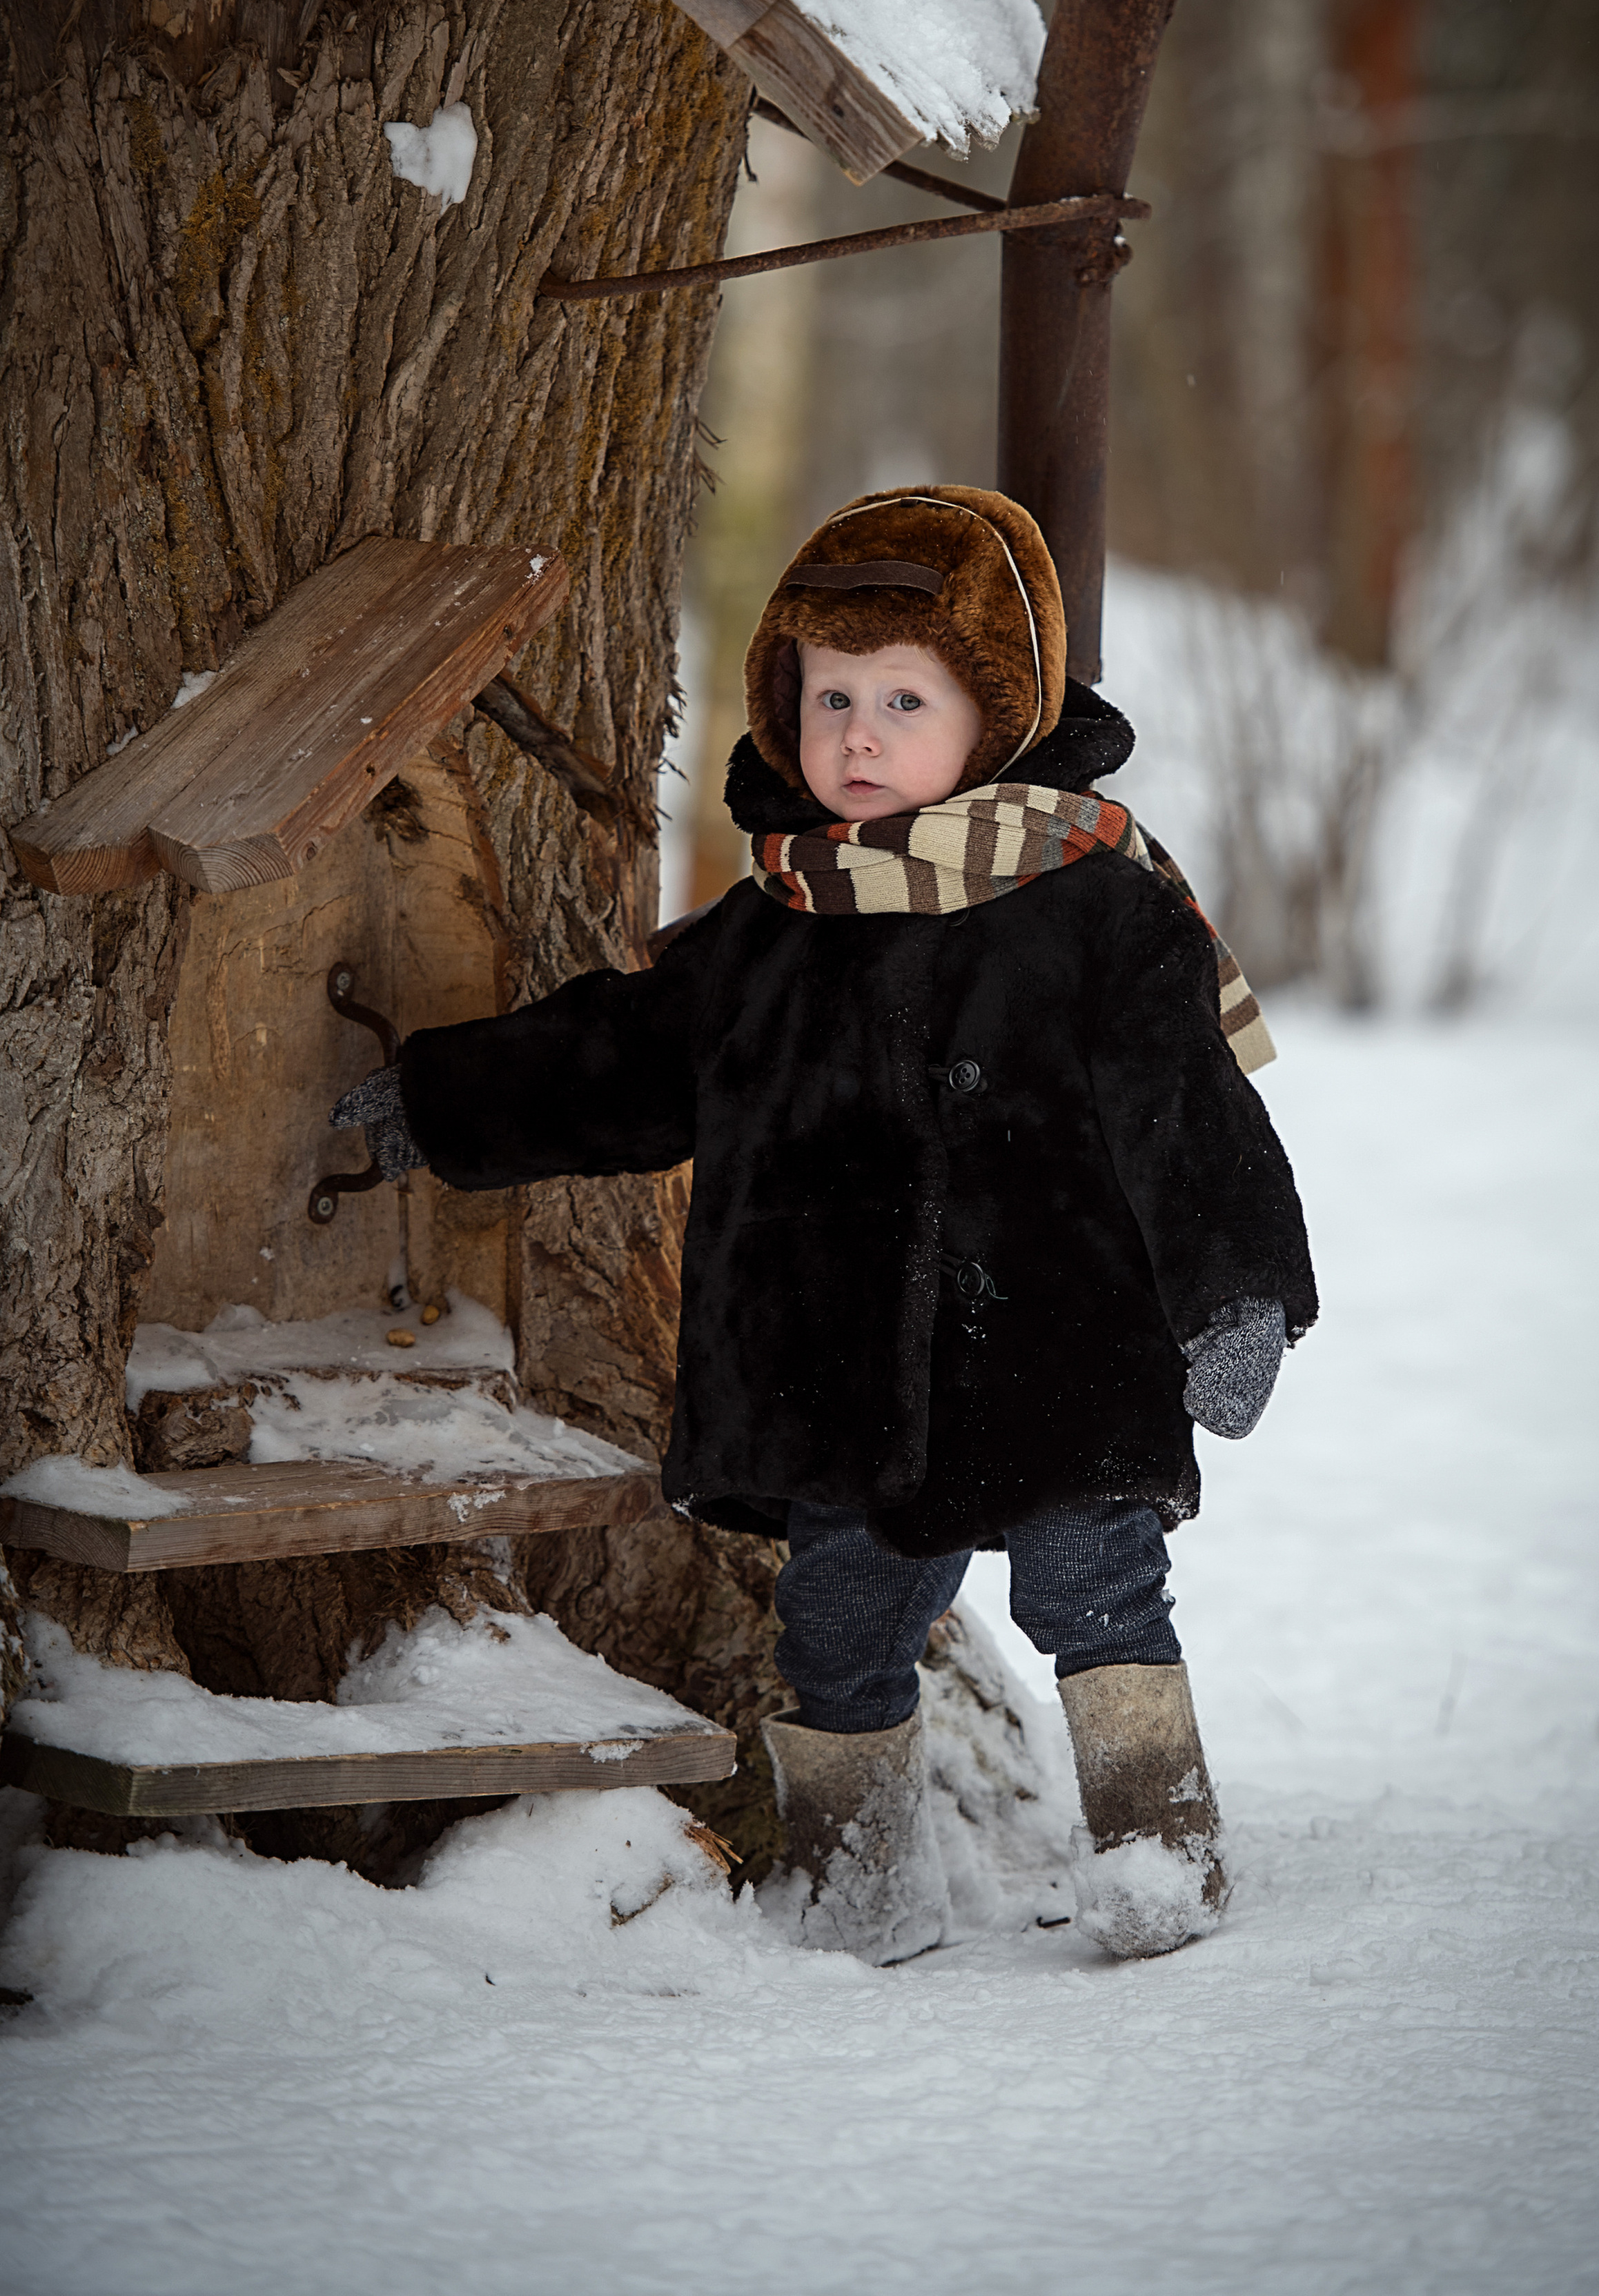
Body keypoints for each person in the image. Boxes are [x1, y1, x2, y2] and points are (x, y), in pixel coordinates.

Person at [333, 484, 1317, 1963]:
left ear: (992, 717)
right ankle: (858, 1885)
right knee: (837, 1629)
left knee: (1094, 1593)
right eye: (828, 695)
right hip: (830, 1376)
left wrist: (1234, 1300)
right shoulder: (767, 935)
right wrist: (441, 1104)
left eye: (902, 700)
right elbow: (609, 1059)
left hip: (1061, 1347)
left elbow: (1193, 1118)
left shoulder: (1089, 910)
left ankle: (1156, 1854)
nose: (857, 734)